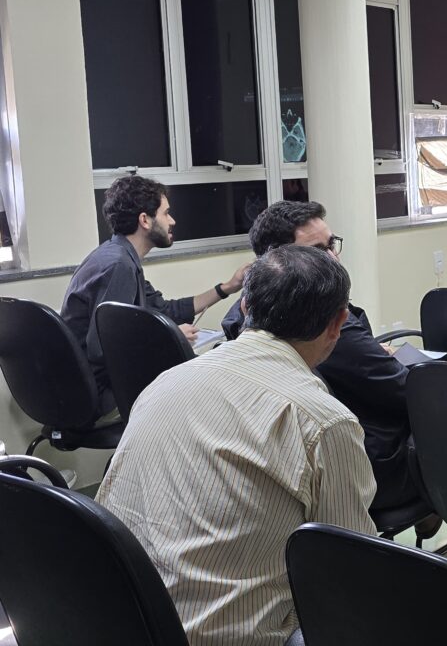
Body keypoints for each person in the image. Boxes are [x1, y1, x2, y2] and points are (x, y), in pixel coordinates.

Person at [97, 245, 376, 646]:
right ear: (338, 324)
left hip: (124, 622)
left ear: (245, 306)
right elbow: (351, 573)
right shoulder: (322, 421)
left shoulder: (165, 382)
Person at [222, 200, 420, 512]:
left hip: (289, 464)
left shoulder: (241, 313)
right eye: (317, 250)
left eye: (331, 245)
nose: (333, 258)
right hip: (366, 464)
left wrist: (368, 353)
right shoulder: (321, 324)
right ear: (279, 259)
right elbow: (406, 391)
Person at [61, 175, 247, 418]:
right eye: (166, 213)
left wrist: (228, 287)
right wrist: (168, 338)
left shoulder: (119, 255)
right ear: (145, 220)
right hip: (102, 395)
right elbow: (102, 348)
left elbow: (165, 310)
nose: (172, 221)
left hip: (94, 387)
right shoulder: (118, 266)